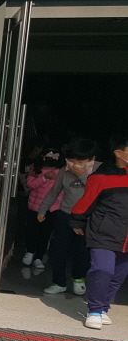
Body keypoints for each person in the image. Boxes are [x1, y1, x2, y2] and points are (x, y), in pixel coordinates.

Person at [71, 133, 128, 330]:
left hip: (126, 238)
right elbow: (86, 201)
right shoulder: (102, 177)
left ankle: (103, 308)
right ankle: (94, 310)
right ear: (119, 153)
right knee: (103, 270)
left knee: (117, 276)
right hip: (103, 233)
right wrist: (77, 221)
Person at [39, 137, 101, 296]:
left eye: (80, 162)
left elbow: (97, 192)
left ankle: (78, 279)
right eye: (71, 161)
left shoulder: (101, 170)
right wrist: (43, 209)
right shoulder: (63, 171)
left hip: (88, 219)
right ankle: (58, 282)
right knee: (57, 250)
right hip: (66, 215)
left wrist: (81, 175)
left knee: (83, 252)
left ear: (92, 159)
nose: (74, 165)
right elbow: (54, 192)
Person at [22, 148, 65, 270]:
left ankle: (38, 257)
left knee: (45, 234)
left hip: (52, 209)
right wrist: (44, 178)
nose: (49, 168)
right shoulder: (35, 169)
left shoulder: (62, 173)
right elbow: (30, 184)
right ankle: (30, 251)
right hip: (34, 207)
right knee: (31, 231)